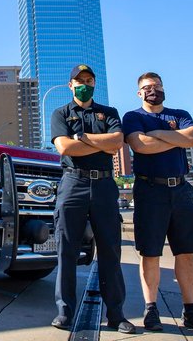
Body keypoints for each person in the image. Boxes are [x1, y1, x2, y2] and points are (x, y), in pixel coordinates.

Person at [122, 72, 193, 335]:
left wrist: (158, 135)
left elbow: (192, 138)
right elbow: (140, 146)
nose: (153, 90)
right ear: (139, 93)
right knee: (150, 252)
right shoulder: (133, 117)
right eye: (147, 87)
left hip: (181, 190)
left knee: (186, 251)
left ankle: (191, 310)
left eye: (157, 86)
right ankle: (151, 309)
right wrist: (174, 136)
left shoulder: (180, 113)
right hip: (150, 190)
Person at [50, 64, 135, 334]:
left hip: (104, 185)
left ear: (94, 84)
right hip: (73, 183)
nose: (84, 84)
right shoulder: (61, 113)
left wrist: (83, 138)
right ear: (70, 85)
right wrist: (100, 141)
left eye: (89, 80)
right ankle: (65, 312)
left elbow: (117, 142)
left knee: (110, 250)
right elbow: (64, 146)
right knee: (67, 250)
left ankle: (116, 314)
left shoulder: (109, 113)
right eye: (79, 80)